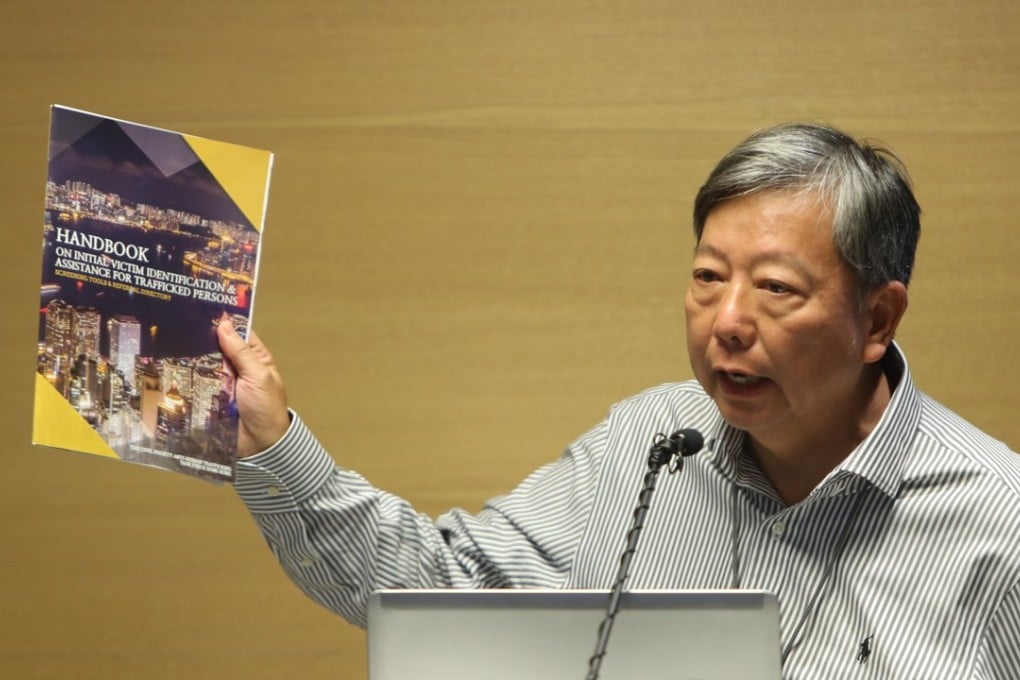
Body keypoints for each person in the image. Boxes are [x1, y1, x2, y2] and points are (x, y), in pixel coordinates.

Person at [217, 122, 1020, 678]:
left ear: (876, 318)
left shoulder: (1000, 524)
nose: (728, 322)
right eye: (708, 278)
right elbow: (442, 586)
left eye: (775, 289)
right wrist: (277, 440)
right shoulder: (652, 440)